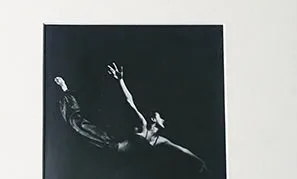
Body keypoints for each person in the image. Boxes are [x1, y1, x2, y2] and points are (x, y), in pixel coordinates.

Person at [51, 62, 206, 171]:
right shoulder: (143, 124)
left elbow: (182, 150)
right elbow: (130, 101)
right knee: (77, 124)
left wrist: (200, 161)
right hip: (108, 142)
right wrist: (121, 81)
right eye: (161, 117)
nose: (164, 119)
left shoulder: (160, 140)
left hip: (116, 161)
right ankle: (66, 90)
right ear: (153, 119)